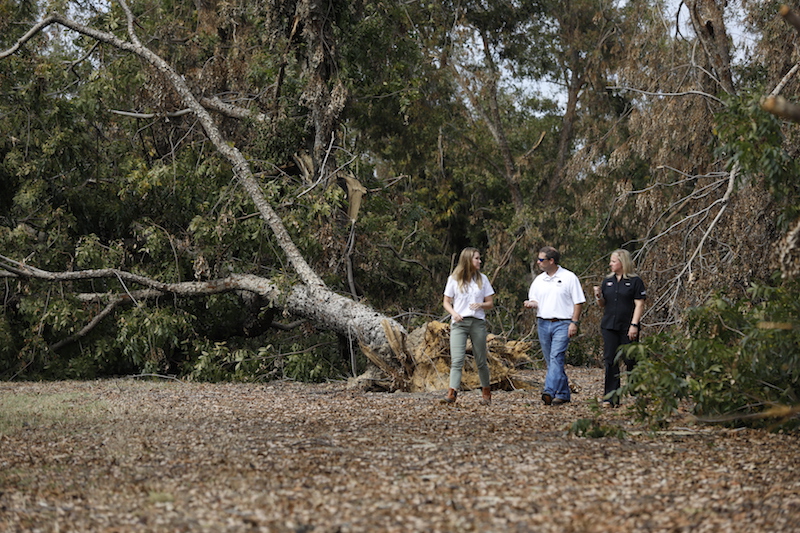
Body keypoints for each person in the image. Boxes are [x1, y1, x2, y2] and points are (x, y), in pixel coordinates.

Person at [524, 246, 585, 406]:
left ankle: (549, 391)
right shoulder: (539, 280)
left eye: (541, 260)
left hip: (563, 323)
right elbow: (535, 299)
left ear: (551, 261)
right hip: (543, 323)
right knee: (552, 362)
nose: (538, 262)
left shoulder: (569, 277)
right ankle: (564, 393)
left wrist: (574, 322)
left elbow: (578, 302)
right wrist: (531, 304)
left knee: (556, 357)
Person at [593, 249, 646, 408]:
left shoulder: (635, 281)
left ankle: (635, 391)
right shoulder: (607, 281)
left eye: (613, 261)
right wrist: (598, 296)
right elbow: (603, 304)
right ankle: (611, 397)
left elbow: (639, 304)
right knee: (610, 360)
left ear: (623, 263)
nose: (610, 264)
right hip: (609, 325)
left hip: (628, 326)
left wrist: (634, 324)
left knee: (630, 359)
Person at [442, 247, 495, 405]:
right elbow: (446, 301)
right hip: (459, 323)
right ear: (468, 260)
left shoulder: (482, 279)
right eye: (477, 258)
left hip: (477, 322)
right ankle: (452, 393)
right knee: (457, 360)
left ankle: (486, 392)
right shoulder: (454, 279)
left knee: (481, 360)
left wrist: (481, 304)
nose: (479, 261)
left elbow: (490, 303)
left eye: (479, 258)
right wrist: (454, 313)